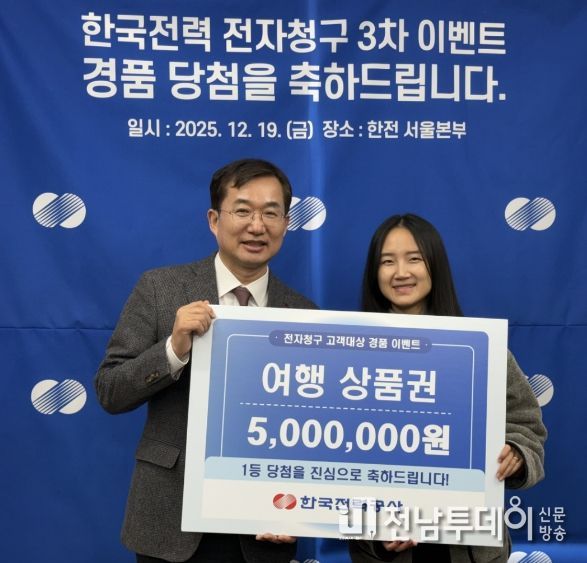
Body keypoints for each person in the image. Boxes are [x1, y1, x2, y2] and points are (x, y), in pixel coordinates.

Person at [95, 158, 317, 563]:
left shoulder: (304, 315)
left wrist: (298, 510)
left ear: (286, 224)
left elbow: (312, 430)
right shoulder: (160, 289)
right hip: (170, 522)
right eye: (243, 210)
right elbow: (111, 391)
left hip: (263, 527)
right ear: (215, 220)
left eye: (271, 213)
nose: (257, 226)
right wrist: (173, 349)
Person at [349, 213, 546, 563]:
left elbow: (526, 424)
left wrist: (517, 451)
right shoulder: (348, 354)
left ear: (434, 264)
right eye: (387, 262)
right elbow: (334, 457)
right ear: (373, 273)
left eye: (414, 259)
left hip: (470, 545)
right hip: (388, 547)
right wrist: (375, 532)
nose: (401, 272)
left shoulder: (481, 347)